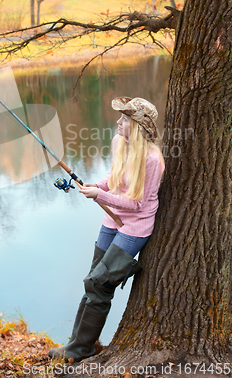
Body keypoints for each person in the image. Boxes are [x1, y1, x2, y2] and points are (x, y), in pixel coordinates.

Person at [49, 97, 165, 362]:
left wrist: (99, 197)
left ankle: (82, 349)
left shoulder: (152, 159)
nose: (118, 122)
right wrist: (97, 187)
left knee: (100, 284)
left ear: (136, 125)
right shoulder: (120, 144)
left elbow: (136, 204)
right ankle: (75, 343)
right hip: (111, 220)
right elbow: (113, 179)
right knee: (92, 279)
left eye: (124, 119)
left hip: (135, 226)